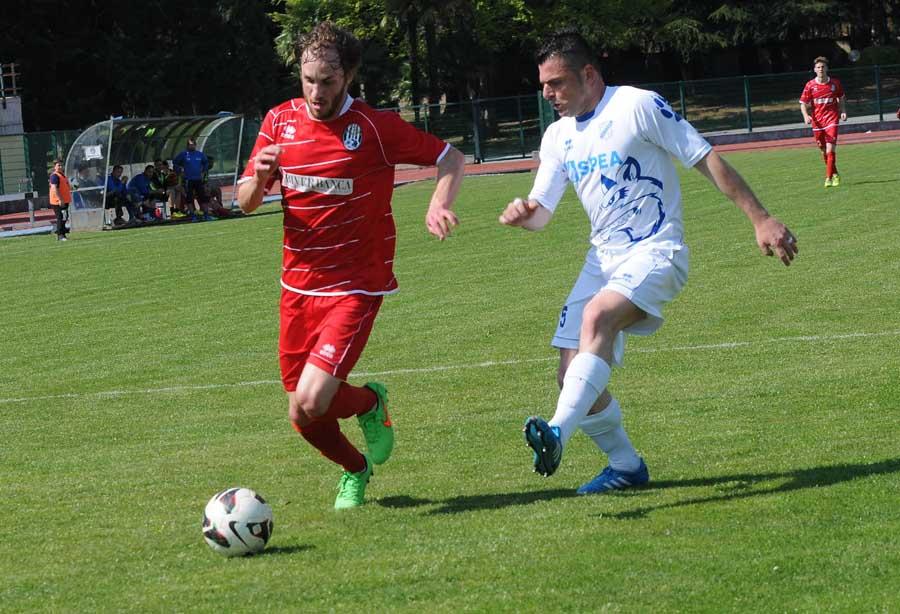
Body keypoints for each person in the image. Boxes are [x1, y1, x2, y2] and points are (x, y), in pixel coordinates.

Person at [499, 30, 798, 495]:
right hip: (602, 259)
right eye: (543, 85)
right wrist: (523, 215)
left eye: (557, 83)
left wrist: (760, 218)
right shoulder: (558, 136)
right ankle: (626, 466)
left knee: (597, 317)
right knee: (571, 373)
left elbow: (704, 157)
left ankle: (556, 432)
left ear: (589, 74)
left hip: (658, 251)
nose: (548, 94)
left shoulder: (637, 105)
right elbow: (542, 214)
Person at [237, 21, 465, 509]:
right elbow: (246, 202)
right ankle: (356, 466)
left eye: (328, 81)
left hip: (355, 286)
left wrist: (437, 203)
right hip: (297, 288)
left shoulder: (375, 129)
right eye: (308, 79)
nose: (316, 92)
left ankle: (368, 403)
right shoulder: (278, 122)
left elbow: (451, 158)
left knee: (316, 398)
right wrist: (258, 178)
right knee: (301, 415)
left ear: (350, 76)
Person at [799, 56, 847, 188]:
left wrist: (843, 111)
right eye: (818, 67)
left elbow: (841, 97)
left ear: (827, 68)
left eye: (823, 67)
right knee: (823, 150)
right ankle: (835, 173)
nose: (821, 69)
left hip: (832, 119)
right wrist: (805, 116)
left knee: (830, 149)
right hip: (817, 122)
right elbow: (802, 103)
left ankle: (828, 178)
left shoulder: (835, 83)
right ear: (814, 70)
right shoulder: (810, 85)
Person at [173, 137, 210, 220]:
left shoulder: (200, 154)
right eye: (190, 145)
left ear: (195, 145)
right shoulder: (184, 154)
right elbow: (175, 162)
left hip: (198, 179)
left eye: (193, 145)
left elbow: (206, 163)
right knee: (189, 198)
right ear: (187, 146)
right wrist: (180, 171)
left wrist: (203, 171)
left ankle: (206, 215)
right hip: (188, 180)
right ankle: (193, 215)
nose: (192, 146)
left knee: (202, 197)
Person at [48, 160, 71, 241]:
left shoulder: (62, 175)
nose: (60, 167)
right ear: (55, 167)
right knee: (60, 217)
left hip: (64, 200)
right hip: (57, 201)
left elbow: (65, 186)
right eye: (58, 165)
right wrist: (60, 199)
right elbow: (54, 188)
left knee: (64, 217)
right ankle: (60, 235)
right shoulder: (54, 176)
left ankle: (62, 231)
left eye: (61, 165)